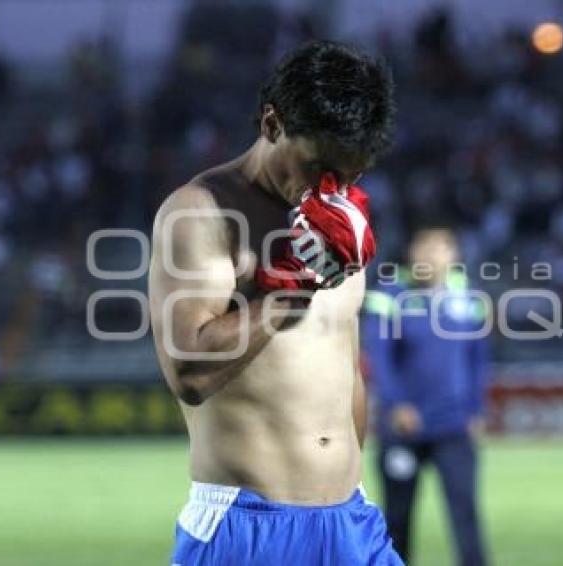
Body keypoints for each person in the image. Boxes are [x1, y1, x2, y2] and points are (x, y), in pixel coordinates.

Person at [148, 41, 402, 565]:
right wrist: (292, 289)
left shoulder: (341, 219)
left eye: (351, 174)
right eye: (318, 167)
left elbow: (344, 367)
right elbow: (188, 373)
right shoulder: (201, 212)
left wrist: (352, 487)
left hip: (351, 522)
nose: (331, 189)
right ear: (271, 125)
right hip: (249, 529)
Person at [362, 226, 490, 566]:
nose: (431, 255)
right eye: (424, 246)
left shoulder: (469, 299)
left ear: (454, 255)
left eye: (440, 247)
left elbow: (478, 359)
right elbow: (379, 358)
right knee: (398, 519)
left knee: (466, 515)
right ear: (410, 253)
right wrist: (395, 404)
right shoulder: (389, 295)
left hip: (455, 426)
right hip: (404, 428)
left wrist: (477, 409)